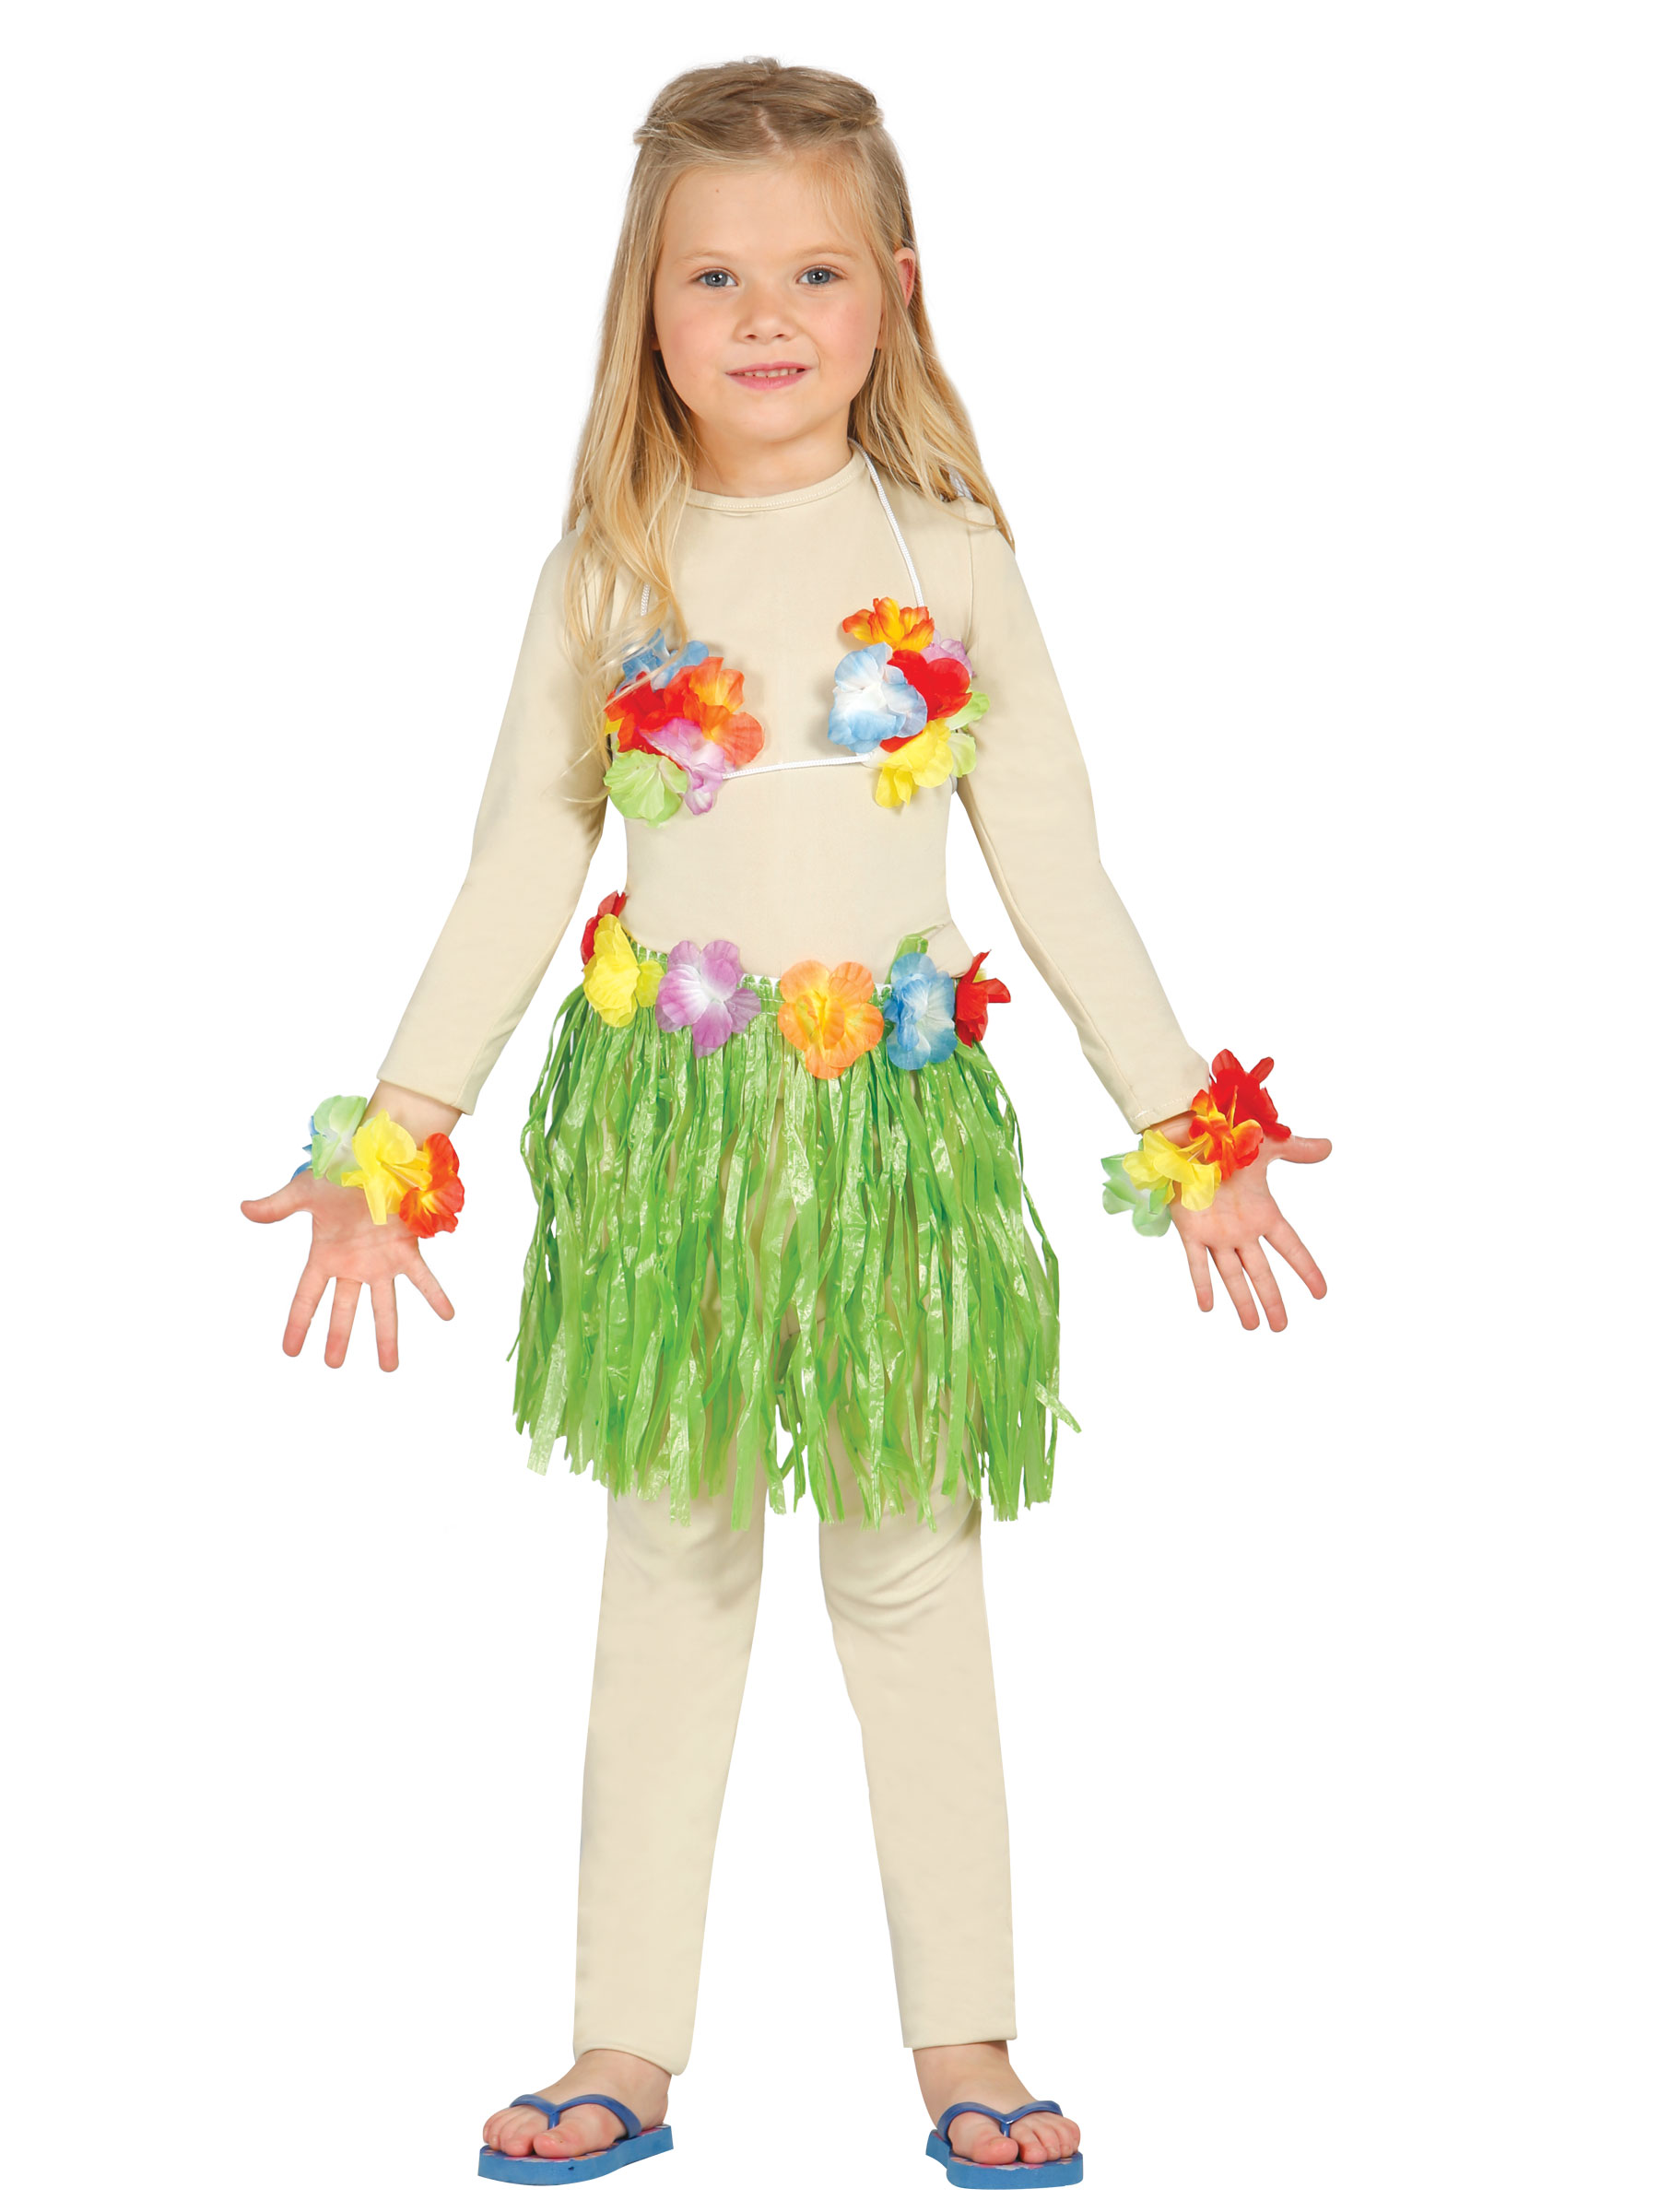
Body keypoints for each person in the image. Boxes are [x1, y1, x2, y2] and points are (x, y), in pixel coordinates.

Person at [241, 57, 1330, 2188]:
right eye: (714, 276)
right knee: (670, 1562)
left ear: (897, 291)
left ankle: (968, 2041)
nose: (765, 315)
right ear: (643, 306)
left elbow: (1057, 863)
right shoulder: (609, 570)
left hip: (891, 1159)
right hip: (672, 1164)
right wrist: (396, 1135)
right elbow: (514, 867)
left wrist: (1189, 1127)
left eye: (814, 271)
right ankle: (622, 2044)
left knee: (913, 1565)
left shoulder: (954, 563)